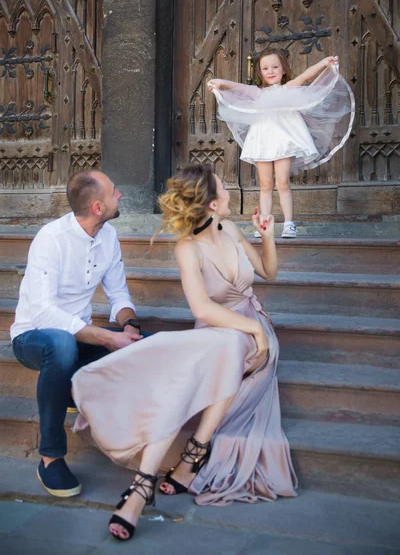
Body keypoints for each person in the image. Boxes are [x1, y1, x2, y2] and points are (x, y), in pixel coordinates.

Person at [71, 164, 298, 542]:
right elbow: (202, 310)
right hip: (219, 333)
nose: (229, 195)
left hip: (253, 337)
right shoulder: (186, 249)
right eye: (224, 191)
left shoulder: (232, 229)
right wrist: (253, 329)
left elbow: (269, 272)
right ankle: (170, 470)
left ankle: (163, 474)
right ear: (211, 204)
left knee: (226, 348)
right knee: (201, 365)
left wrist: (268, 237)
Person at [10, 170, 147, 498]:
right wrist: (107, 338)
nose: (121, 196)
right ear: (98, 207)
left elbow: (119, 296)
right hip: (34, 336)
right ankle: (50, 457)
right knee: (61, 345)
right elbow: (43, 313)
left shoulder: (108, 236)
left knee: (148, 347)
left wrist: (129, 327)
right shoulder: (51, 238)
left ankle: (143, 442)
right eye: (115, 192)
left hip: (78, 337)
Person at [208, 48, 354, 238]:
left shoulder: (289, 88)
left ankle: (289, 223)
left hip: (284, 142)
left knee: (283, 182)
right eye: (265, 68)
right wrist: (219, 82)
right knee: (265, 184)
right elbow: (238, 87)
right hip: (262, 141)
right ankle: (265, 223)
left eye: (275, 67)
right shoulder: (258, 93)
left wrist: (324, 63)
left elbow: (305, 75)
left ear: (283, 69)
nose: (270, 71)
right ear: (260, 72)